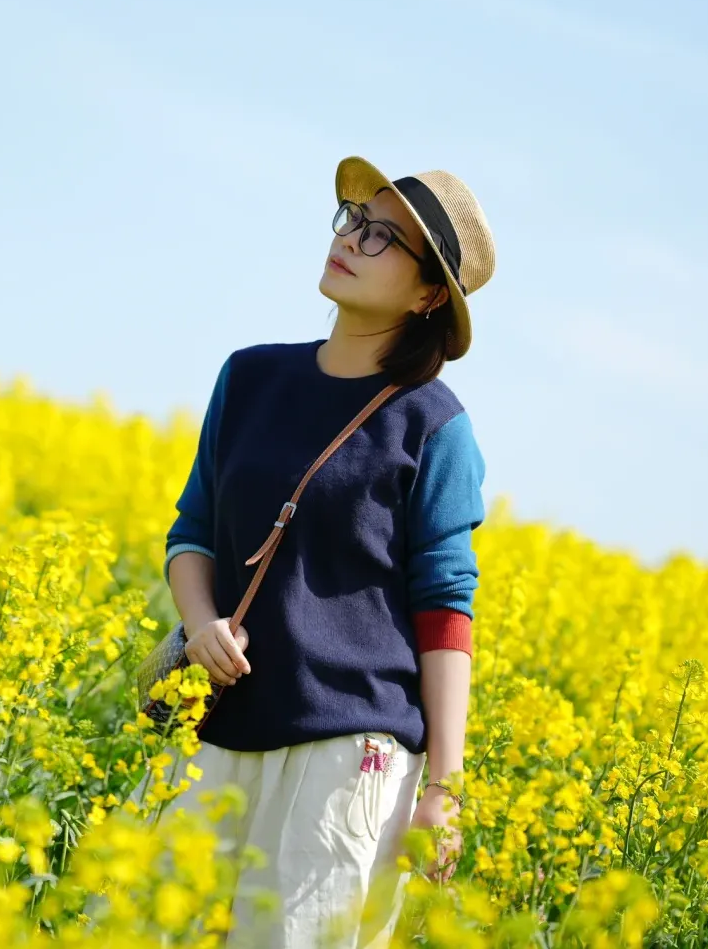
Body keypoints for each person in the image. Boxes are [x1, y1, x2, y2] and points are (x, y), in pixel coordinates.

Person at [161, 155, 494, 948]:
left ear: (427, 296)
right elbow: (192, 531)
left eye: (383, 238)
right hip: (213, 723)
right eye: (354, 220)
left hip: (347, 757)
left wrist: (443, 792)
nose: (350, 239)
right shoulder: (248, 376)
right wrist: (200, 624)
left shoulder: (433, 425)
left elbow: (445, 613)